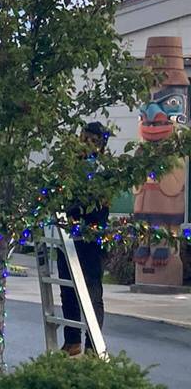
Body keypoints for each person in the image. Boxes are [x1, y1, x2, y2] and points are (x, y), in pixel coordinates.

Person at [56, 121, 110, 355]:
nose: (85, 143)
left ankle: (92, 345)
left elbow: (100, 207)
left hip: (91, 239)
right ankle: (72, 341)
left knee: (91, 292)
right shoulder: (69, 167)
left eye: (91, 139)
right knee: (67, 289)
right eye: (83, 138)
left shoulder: (102, 171)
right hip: (66, 236)